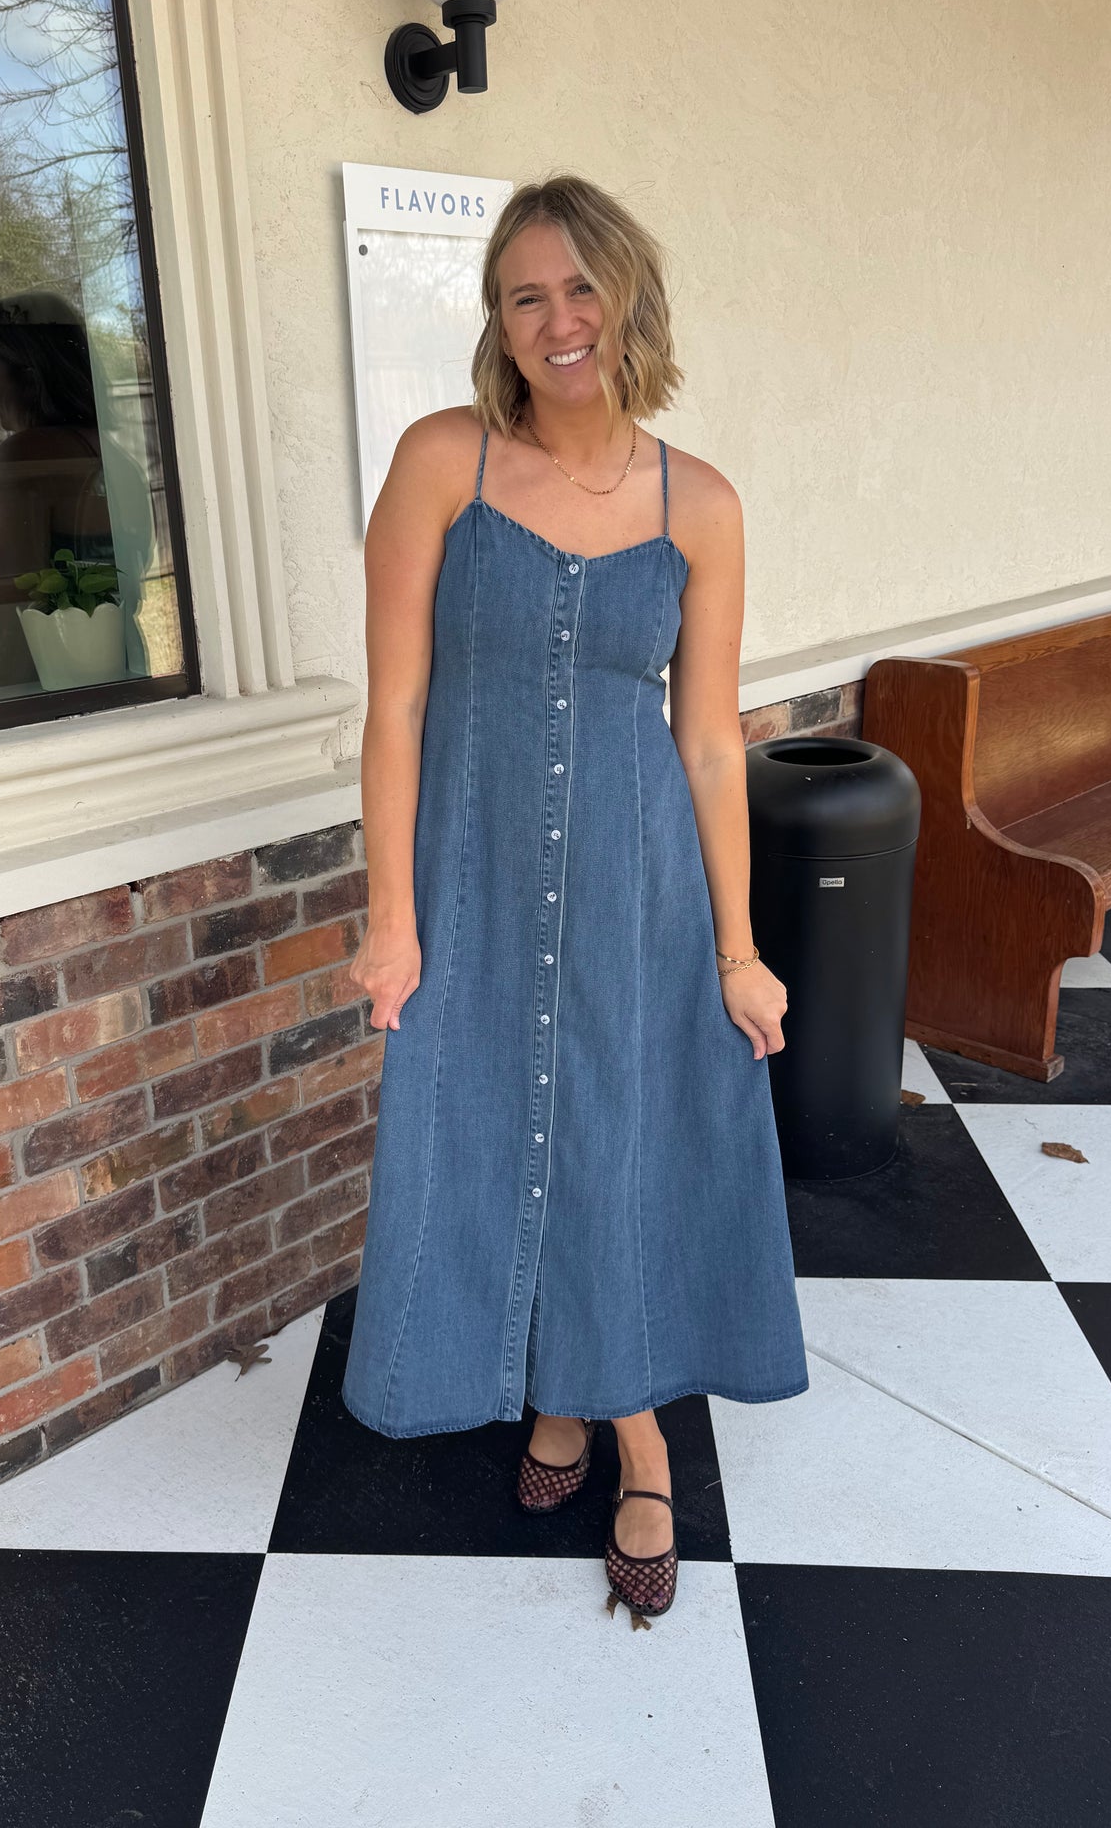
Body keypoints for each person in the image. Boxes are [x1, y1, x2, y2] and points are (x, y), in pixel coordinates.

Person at [341, 173, 808, 1621]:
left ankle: (637, 1436)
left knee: (613, 1140)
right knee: (494, 1129)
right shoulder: (442, 462)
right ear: (498, 319)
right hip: (470, 878)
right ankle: (555, 1388)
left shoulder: (700, 504)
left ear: (630, 301)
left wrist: (736, 948)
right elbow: (394, 706)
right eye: (525, 294)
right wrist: (391, 915)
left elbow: (709, 739)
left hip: (633, 881)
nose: (558, 320)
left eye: (581, 287)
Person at [0, 290, 150, 696]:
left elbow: (11, 617)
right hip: (122, 668)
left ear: (28, 374)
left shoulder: (29, 456)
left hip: (56, 686)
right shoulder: (117, 458)